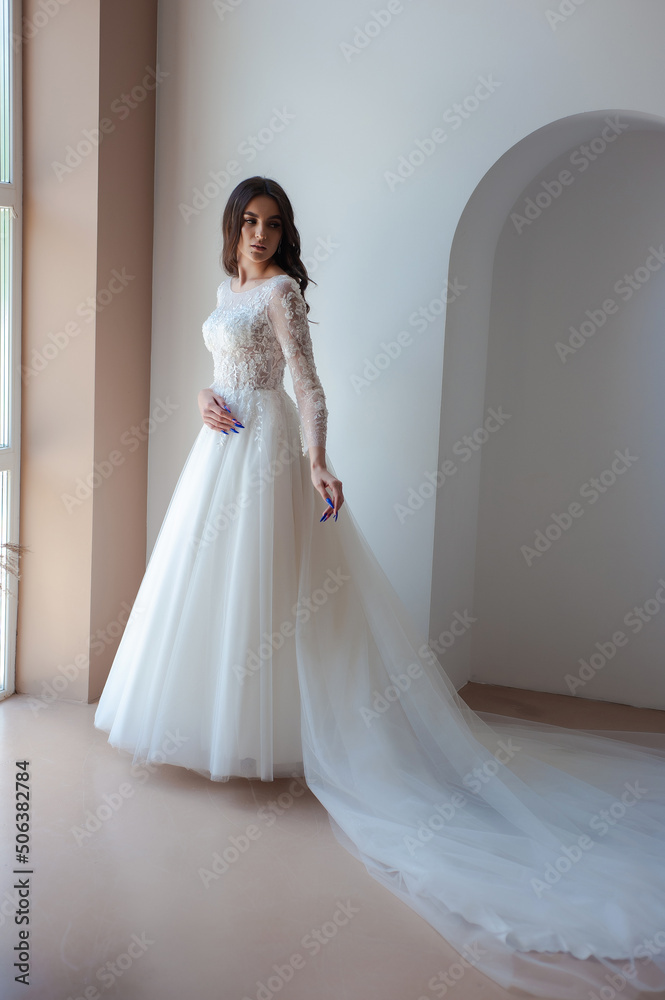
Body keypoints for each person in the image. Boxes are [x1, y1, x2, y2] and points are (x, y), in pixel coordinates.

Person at [95, 176, 665, 999]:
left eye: (273, 223)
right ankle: (225, 726)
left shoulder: (283, 291)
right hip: (219, 449)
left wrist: (318, 461)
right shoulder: (229, 289)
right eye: (249, 221)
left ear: (285, 234)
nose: (260, 233)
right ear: (233, 228)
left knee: (272, 591)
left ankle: (285, 735)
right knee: (212, 591)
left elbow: (305, 382)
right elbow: (218, 364)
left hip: (265, 456)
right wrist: (200, 397)